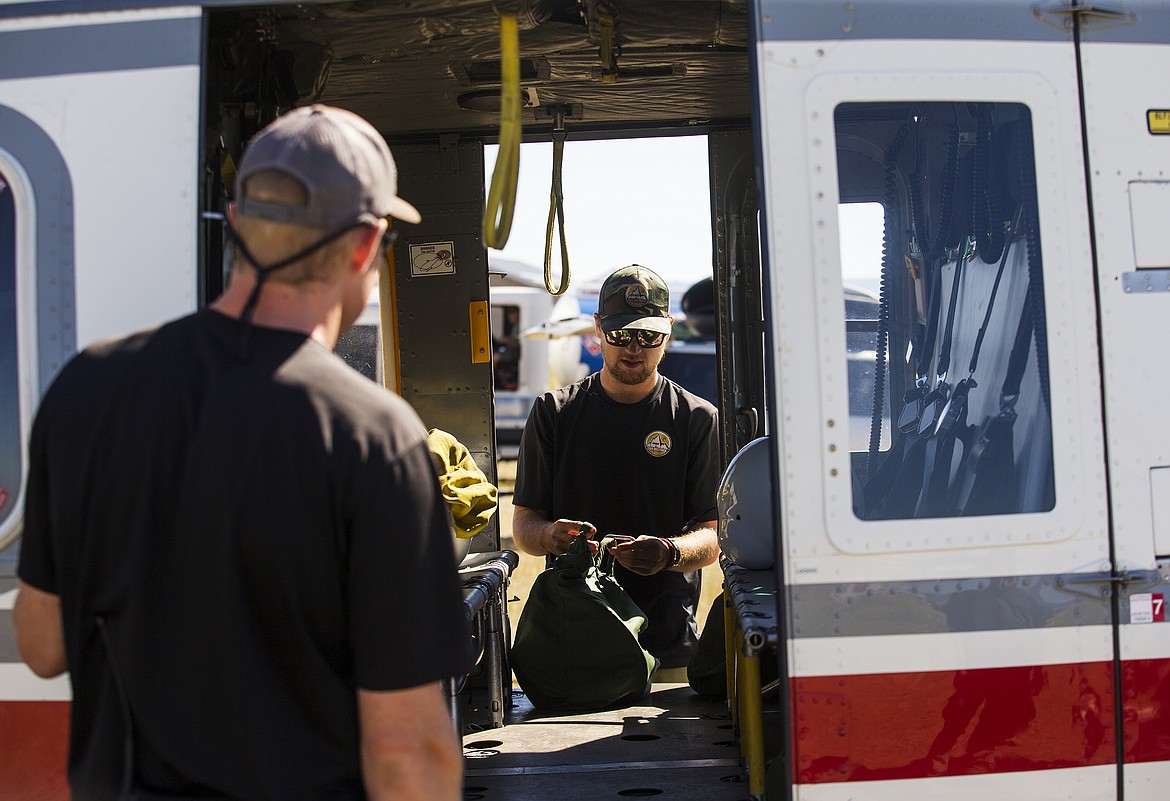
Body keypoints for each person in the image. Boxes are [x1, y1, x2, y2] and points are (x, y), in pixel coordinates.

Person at [13, 104, 473, 801]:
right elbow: (405, 747)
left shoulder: (87, 389)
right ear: (364, 246)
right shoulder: (373, 435)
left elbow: (42, 646)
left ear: (235, 226)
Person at [511, 264, 721, 669]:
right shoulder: (553, 412)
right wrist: (551, 536)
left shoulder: (697, 419)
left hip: (666, 644)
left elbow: (712, 539)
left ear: (668, 331)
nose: (633, 348)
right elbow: (524, 527)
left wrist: (669, 553)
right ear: (597, 328)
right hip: (573, 639)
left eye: (648, 335)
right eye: (621, 334)